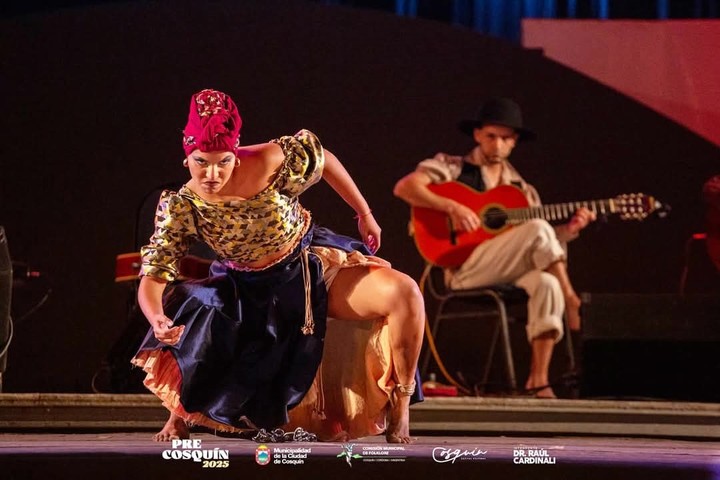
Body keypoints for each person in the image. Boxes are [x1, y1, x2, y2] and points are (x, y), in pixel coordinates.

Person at [131, 89, 424, 443]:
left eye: (222, 161)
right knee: (190, 308)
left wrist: (364, 213)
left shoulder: (268, 160)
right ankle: (180, 415)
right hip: (246, 288)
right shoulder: (182, 205)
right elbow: (154, 273)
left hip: (308, 268)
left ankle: (400, 405)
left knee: (404, 292)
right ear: (186, 158)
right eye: (201, 162)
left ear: (235, 155)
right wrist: (155, 318)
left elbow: (325, 159)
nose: (212, 173)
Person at [393, 97, 595, 399]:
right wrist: (452, 207)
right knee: (539, 231)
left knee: (547, 283)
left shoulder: (523, 191)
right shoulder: (452, 167)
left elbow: (538, 244)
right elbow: (405, 187)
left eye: (505, 138)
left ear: (514, 142)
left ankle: (538, 380)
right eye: (491, 136)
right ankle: (573, 300)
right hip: (463, 269)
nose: (498, 144)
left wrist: (568, 231)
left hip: (507, 271)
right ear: (477, 135)